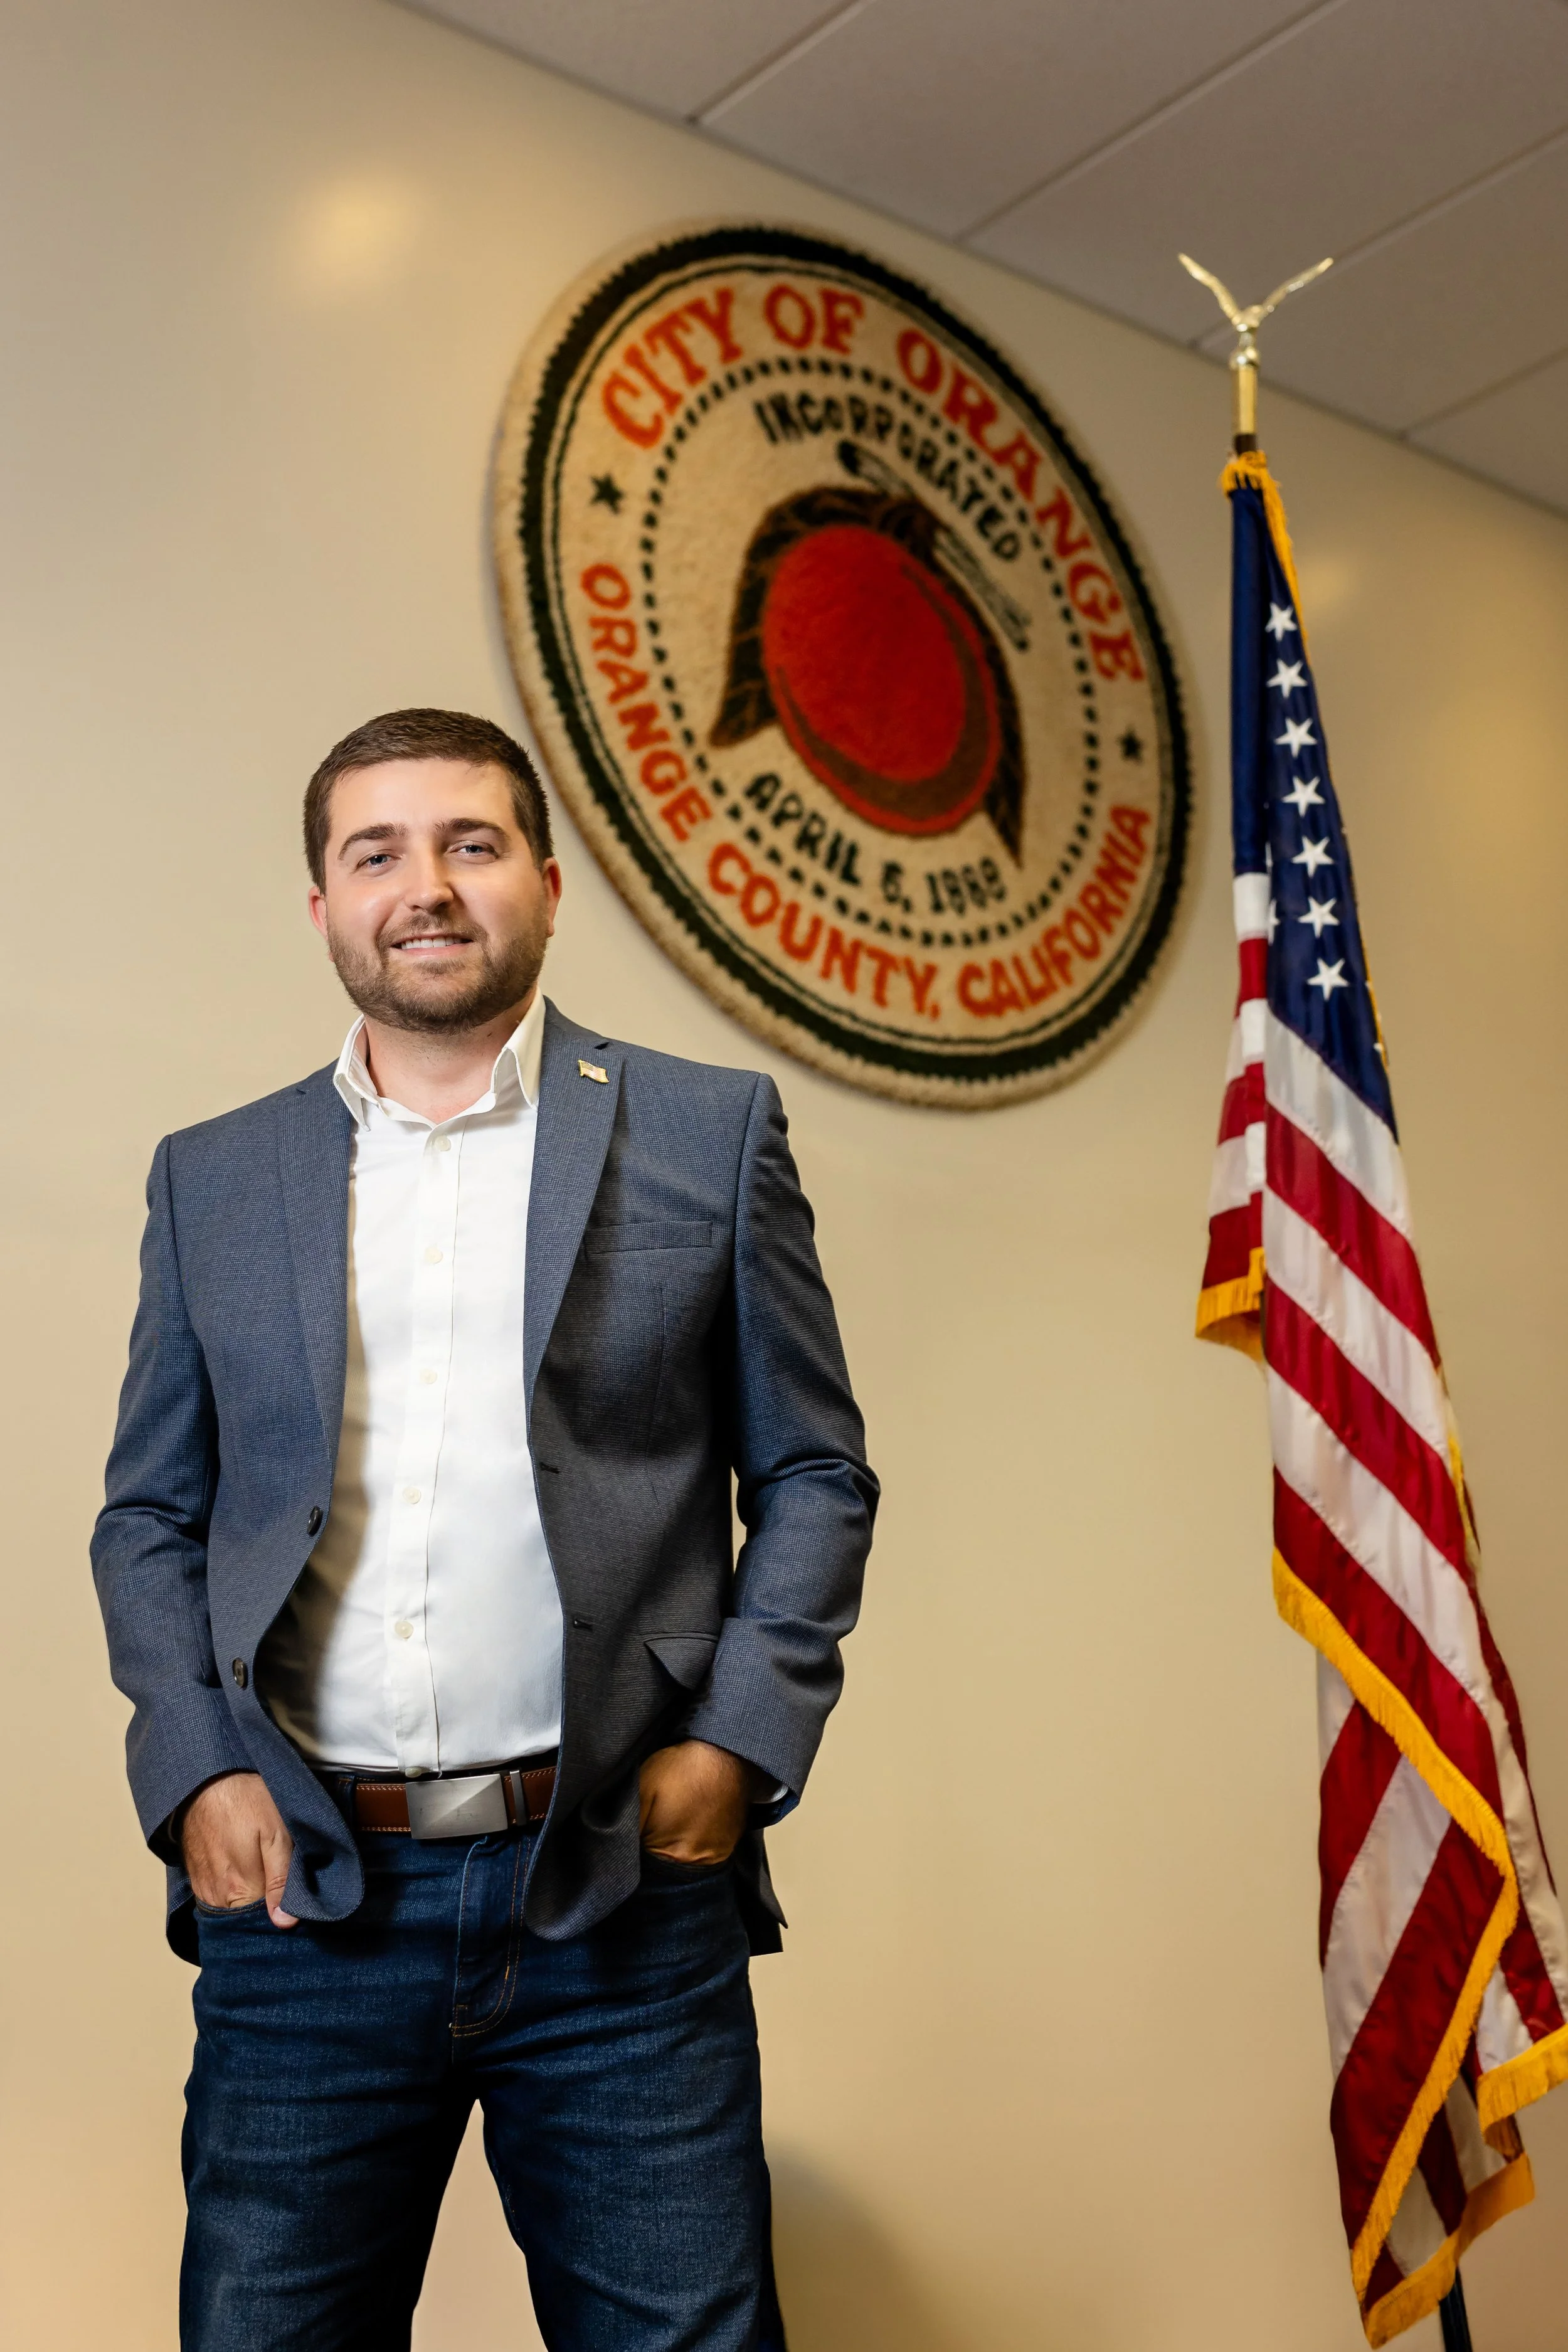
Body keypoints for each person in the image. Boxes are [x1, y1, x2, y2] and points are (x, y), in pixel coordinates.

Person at [92, 707, 877, 2352]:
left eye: (468, 841)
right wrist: (192, 1759)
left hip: (613, 1901)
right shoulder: (215, 1180)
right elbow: (151, 1515)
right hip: (307, 1908)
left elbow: (810, 1471)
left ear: (545, 877)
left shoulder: (702, 1133)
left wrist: (736, 1739)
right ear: (321, 902)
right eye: (374, 851)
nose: (423, 885)